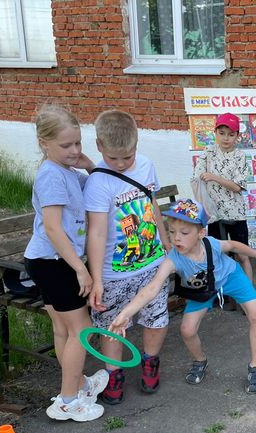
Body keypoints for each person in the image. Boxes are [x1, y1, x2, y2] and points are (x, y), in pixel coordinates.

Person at [109, 199, 256, 394]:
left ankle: (255, 366)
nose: (176, 238)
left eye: (184, 233)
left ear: (201, 233)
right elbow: (152, 288)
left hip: (230, 277)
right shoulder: (172, 259)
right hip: (201, 289)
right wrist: (125, 313)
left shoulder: (212, 244)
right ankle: (200, 360)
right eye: (172, 231)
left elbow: (233, 245)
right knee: (187, 330)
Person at [23, 104, 107, 422]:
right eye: (66, 146)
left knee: (63, 329)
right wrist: (81, 268)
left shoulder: (66, 171)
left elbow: (98, 178)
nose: (74, 151)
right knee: (81, 331)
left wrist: (84, 162)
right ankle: (68, 400)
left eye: (78, 143)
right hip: (55, 262)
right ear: (44, 143)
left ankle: (79, 384)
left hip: (46, 260)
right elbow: (53, 228)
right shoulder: (51, 177)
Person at [85, 109, 171, 405]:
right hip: (114, 273)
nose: (121, 164)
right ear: (99, 146)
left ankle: (150, 362)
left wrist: (165, 240)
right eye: (113, 158)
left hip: (152, 263)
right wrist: (97, 280)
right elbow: (95, 233)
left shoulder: (145, 166)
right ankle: (113, 374)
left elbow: (152, 205)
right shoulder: (98, 183)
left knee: (156, 318)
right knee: (112, 325)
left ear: (137, 145)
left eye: (128, 157)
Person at [192, 112, 253, 309]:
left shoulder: (241, 157)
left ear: (237, 136)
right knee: (219, 255)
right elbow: (198, 176)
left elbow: (237, 186)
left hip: (236, 213)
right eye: (222, 132)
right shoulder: (208, 153)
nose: (226, 138)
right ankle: (224, 295)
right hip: (214, 214)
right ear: (215, 133)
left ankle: (248, 295)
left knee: (242, 254)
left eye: (231, 134)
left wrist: (214, 177)